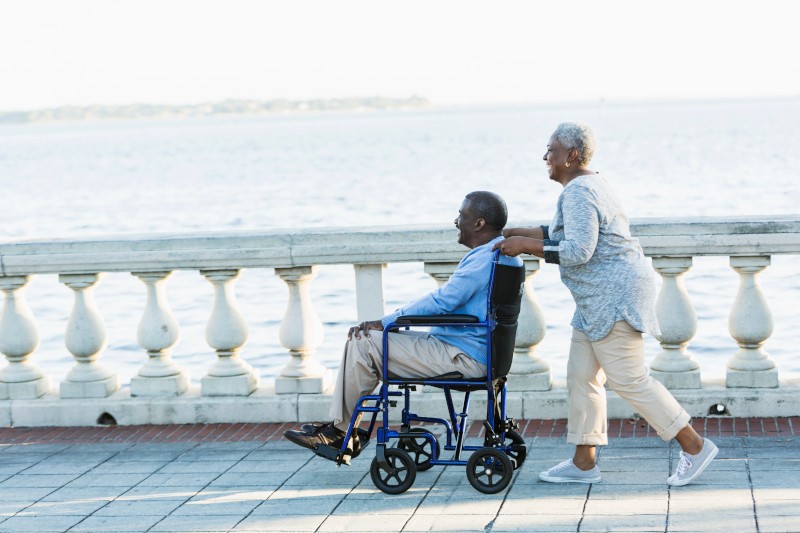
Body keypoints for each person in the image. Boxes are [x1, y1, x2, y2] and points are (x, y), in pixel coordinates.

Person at [493, 122, 717, 487]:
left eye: (550, 149)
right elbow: (566, 234)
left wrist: (526, 246)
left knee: (629, 379)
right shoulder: (589, 185)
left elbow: (578, 251)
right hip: (595, 302)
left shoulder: (579, 192)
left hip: (613, 298)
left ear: (571, 156)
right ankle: (584, 463)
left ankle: (694, 445)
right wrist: (515, 233)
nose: (545, 156)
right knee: (582, 377)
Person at [285, 191, 523, 459]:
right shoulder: (506, 255)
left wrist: (386, 322)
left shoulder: (483, 259)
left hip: (463, 357)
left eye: (461, 215)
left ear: (479, 224)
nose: (456, 221)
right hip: (475, 351)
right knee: (371, 342)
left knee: (363, 341)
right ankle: (343, 430)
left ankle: (341, 432)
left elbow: (442, 302)